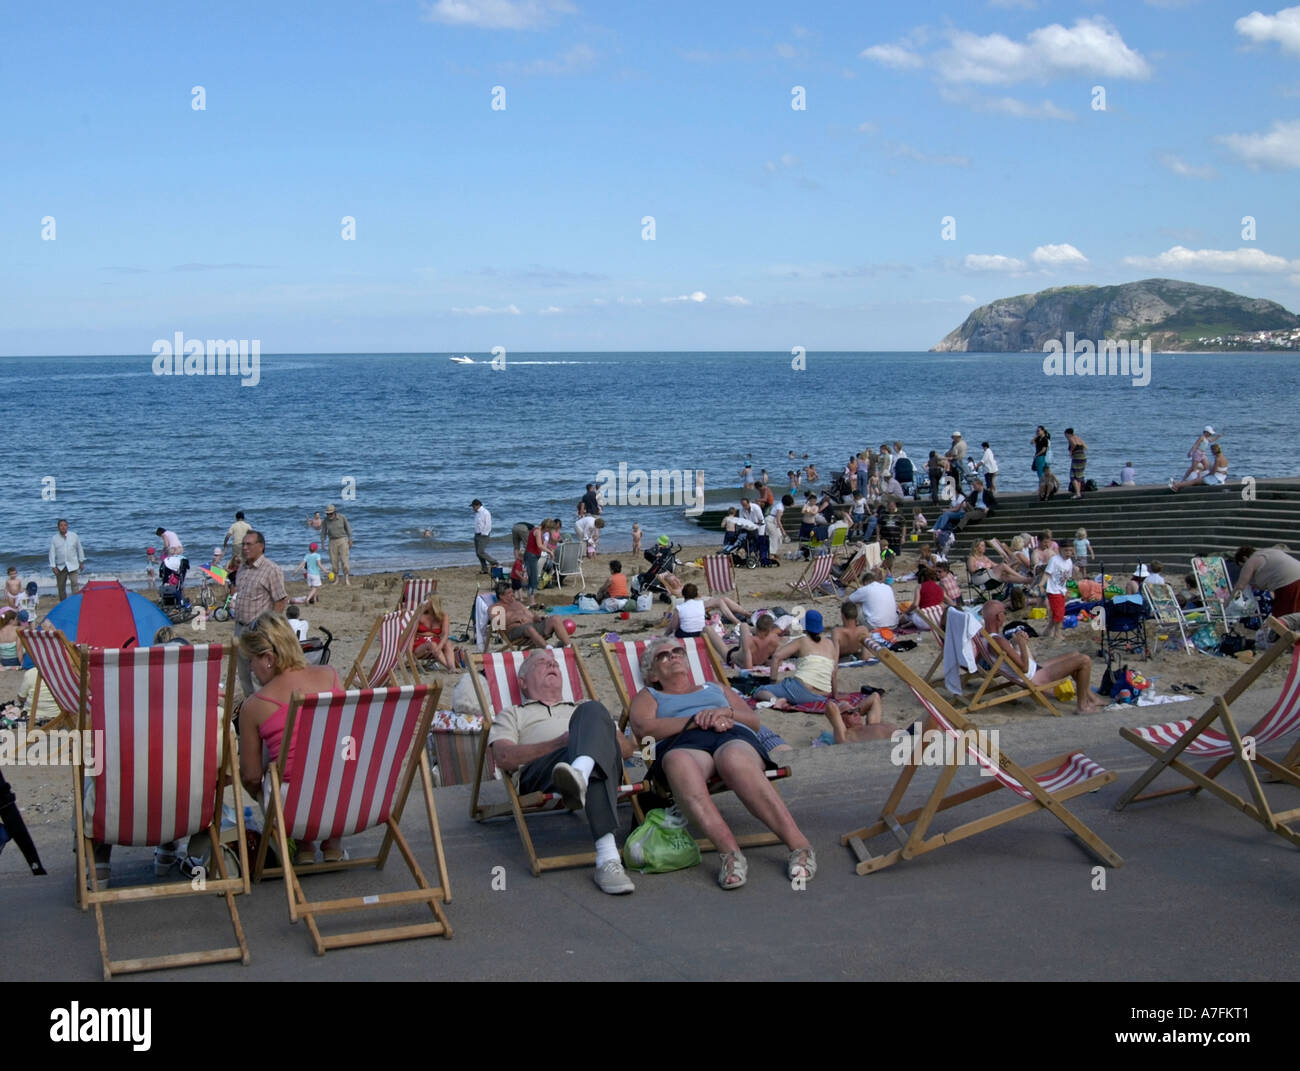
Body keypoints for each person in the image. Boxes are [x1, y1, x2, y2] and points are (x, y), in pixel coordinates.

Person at [630, 636, 815, 889]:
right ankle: (730, 855)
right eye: (664, 655)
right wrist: (695, 720)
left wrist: (725, 712)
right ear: (652, 675)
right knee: (677, 762)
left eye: (677, 652)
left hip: (731, 733)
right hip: (684, 743)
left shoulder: (714, 687)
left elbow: (753, 720)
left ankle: (799, 846)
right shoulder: (649, 695)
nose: (673, 656)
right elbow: (643, 730)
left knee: (734, 760)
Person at [489, 649, 638, 894]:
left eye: (554, 663)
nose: (551, 665)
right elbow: (504, 757)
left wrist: (585, 743)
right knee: (592, 756)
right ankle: (608, 858)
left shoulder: (585, 710)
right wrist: (561, 743)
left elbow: (626, 749)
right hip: (544, 772)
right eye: (541, 663)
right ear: (523, 682)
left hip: (586, 758)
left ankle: (580, 772)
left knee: (592, 710)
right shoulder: (513, 713)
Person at [237, 611, 346, 861]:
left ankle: (302, 842)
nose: (251, 669)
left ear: (267, 659)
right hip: (346, 801)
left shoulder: (254, 706)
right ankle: (333, 843)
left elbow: (251, 776)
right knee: (331, 758)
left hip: (294, 812)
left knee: (277, 771)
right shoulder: (330, 676)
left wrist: (258, 790)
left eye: (250, 660)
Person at [981, 601, 1107, 713]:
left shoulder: (986, 637)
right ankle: (1082, 706)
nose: (1005, 615)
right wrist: (1022, 644)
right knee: (1084, 660)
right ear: (999, 616)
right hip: (1034, 677)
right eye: (1004, 613)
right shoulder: (998, 641)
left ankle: (1091, 697)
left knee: (1075, 655)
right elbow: (1024, 668)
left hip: (1033, 669)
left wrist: (1015, 644)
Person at [232, 531, 289, 698]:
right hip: (240, 627)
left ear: (261, 547)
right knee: (243, 675)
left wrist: (268, 628)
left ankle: (264, 712)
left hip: (258, 630)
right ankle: (251, 707)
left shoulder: (271, 569)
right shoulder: (242, 568)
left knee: (259, 676)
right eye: (243, 544)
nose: (245, 548)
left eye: (249, 544)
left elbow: (280, 600)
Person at [498, 581, 572, 648]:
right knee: (529, 628)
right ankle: (549, 649)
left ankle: (569, 647)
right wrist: (514, 619)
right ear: (501, 596)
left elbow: (531, 615)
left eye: (512, 592)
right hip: (515, 632)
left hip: (531, 628)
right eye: (509, 593)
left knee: (555, 618)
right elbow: (496, 625)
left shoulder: (517, 604)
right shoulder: (496, 608)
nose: (512, 595)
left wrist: (538, 618)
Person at [1230, 545, 1300, 616]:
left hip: (1288, 583)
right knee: (1295, 614)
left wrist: (1228, 603)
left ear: (1244, 558)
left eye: (1242, 566)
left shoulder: (1251, 560)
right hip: (1295, 576)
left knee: (1282, 617)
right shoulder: (1268, 553)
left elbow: (1240, 587)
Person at [711, 612, 784, 669]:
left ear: (757, 627)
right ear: (770, 629)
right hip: (748, 653)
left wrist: (737, 662)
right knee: (744, 626)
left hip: (734, 656)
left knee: (707, 629)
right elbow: (778, 662)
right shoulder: (775, 640)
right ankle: (753, 630)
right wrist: (764, 662)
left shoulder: (750, 641)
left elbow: (748, 668)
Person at [412, 595, 457, 669]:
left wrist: (439, 647)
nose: (424, 603)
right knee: (432, 645)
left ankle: (452, 667)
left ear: (433, 603)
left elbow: (445, 634)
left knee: (448, 643)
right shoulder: (419, 616)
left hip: (436, 643)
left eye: (427, 601)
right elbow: (411, 635)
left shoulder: (443, 616)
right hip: (419, 644)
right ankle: (449, 668)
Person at [1043, 543, 1075, 640]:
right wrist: (1041, 584)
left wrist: (1068, 590)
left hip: (1061, 590)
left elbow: (1068, 577)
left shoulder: (1069, 562)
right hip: (1053, 590)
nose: (1068, 553)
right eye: (1066, 550)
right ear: (1060, 549)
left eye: (1070, 550)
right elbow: (1047, 573)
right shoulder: (1055, 560)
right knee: (1059, 612)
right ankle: (1057, 633)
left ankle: (1047, 631)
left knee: (1057, 612)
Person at [49, 519, 85, 602]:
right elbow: (52, 552)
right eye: (61, 525)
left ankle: (76, 602)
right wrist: (53, 566)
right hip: (61, 566)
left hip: (73, 564)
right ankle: (63, 603)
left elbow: (79, 548)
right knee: (61, 587)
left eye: (65, 525)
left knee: (74, 584)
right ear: (58, 527)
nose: (63, 527)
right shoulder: (55, 538)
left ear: (67, 526)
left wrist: (81, 561)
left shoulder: (74, 536)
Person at [321, 504, 354, 585]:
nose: (329, 515)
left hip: (342, 540)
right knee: (334, 561)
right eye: (327, 514)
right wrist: (322, 542)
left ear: (335, 512)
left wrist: (350, 539)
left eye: (330, 513)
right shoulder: (325, 521)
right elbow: (323, 532)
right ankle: (337, 579)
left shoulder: (342, 517)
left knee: (344, 560)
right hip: (332, 541)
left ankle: (346, 579)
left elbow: (348, 528)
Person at [470, 499, 497, 575]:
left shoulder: (485, 512)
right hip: (477, 534)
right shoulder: (477, 513)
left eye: (473, 507)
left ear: (477, 505)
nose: (473, 508)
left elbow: (488, 525)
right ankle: (484, 569)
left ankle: (494, 562)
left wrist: (484, 534)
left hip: (483, 535)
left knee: (480, 552)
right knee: (478, 553)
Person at [1065, 428, 1088, 498]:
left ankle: (1078, 493)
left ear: (1068, 434)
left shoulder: (1070, 438)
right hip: (1083, 457)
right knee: (1079, 475)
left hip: (1077, 458)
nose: (1065, 437)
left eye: (1065, 435)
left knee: (1073, 476)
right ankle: (1079, 493)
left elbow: (1074, 444)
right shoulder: (1078, 438)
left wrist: (1071, 452)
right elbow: (1085, 447)